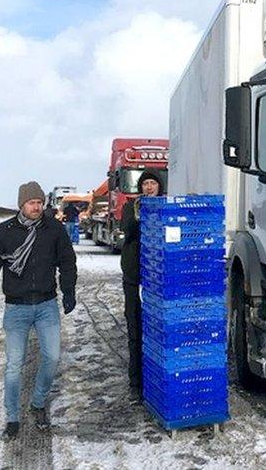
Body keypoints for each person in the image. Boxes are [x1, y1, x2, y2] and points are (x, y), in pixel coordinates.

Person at [0, 181, 78, 441]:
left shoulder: (54, 229)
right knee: (14, 365)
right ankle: (12, 417)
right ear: (21, 204)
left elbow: (68, 262)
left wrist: (69, 291)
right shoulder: (4, 232)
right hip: (17, 308)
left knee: (53, 357)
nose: (37, 207)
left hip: (47, 305)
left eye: (39, 203)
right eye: (32, 203)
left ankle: (37, 403)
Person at [119, 169, 164, 402]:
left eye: (152, 183)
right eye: (145, 183)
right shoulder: (131, 207)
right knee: (135, 326)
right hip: (135, 276)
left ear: (159, 186)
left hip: (158, 278)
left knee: (156, 330)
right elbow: (127, 230)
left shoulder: (167, 207)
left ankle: (155, 379)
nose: (148, 187)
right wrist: (139, 216)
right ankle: (135, 381)